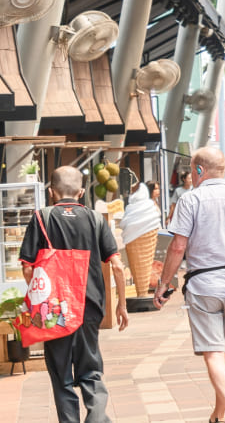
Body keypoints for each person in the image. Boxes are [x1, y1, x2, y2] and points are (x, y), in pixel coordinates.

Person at [156, 147, 225, 423]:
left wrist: (164, 283)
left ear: (198, 170)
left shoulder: (190, 200)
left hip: (205, 285)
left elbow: (177, 246)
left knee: (214, 354)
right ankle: (219, 414)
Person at [19, 166, 129, 423]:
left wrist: (39, 301)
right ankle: (97, 417)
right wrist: (121, 305)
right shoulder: (95, 219)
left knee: (61, 374)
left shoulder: (41, 217)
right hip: (89, 306)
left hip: (54, 310)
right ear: (81, 192)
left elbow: (27, 268)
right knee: (91, 370)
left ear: (51, 192)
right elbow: (116, 265)